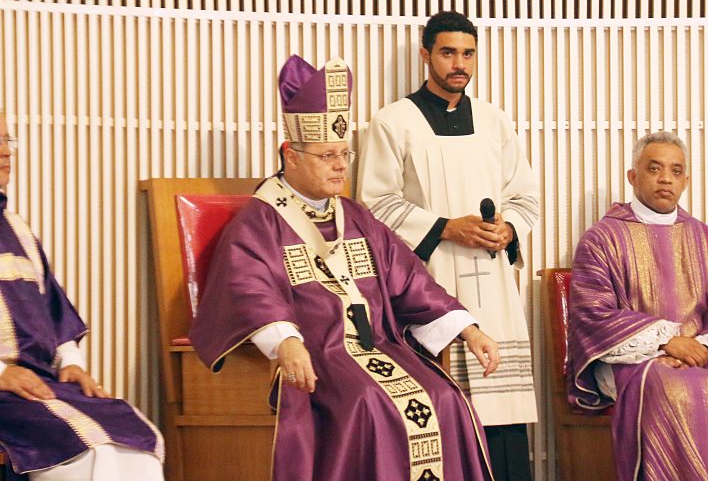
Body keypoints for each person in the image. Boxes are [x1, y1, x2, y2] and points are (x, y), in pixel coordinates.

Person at [189, 56, 499, 481]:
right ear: (290, 155)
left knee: (445, 397)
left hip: (379, 349)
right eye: (327, 155)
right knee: (368, 404)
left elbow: (408, 279)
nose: (340, 165)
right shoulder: (258, 222)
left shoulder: (357, 217)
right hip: (318, 358)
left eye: (343, 154)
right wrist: (286, 343)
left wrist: (468, 328)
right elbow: (248, 289)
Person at [358, 11, 539, 480]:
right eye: (447, 52)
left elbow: (525, 196)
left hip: (494, 284)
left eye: (468, 53)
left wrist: (510, 228)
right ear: (426, 55)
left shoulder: (495, 122)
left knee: (502, 410)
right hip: (431, 282)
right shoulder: (393, 122)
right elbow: (374, 206)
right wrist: (444, 227)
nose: (459, 63)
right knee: (444, 407)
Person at [567, 131, 708, 481]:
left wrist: (700, 347)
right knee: (672, 389)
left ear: (686, 181)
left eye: (676, 172)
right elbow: (592, 312)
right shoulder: (603, 238)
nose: (665, 179)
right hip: (634, 358)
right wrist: (664, 341)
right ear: (633, 176)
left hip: (704, 353)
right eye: (654, 169)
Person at [0, 110, 164, 480]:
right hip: (8, 392)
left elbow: (52, 311)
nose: (6, 153)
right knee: (79, 447)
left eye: (8, 140)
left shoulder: (16, 228)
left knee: (131, 437)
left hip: (39, 383)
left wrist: (71, 362)